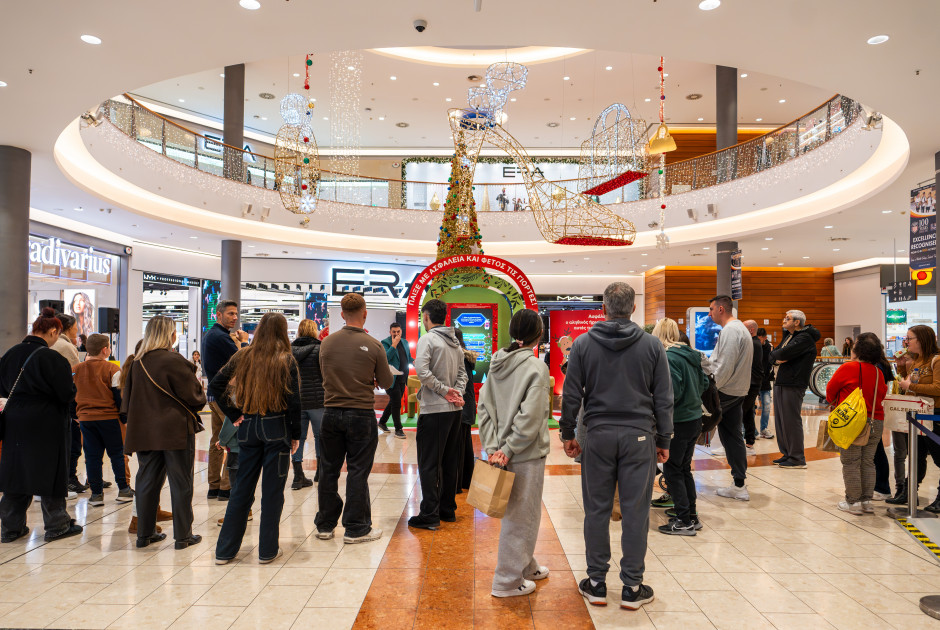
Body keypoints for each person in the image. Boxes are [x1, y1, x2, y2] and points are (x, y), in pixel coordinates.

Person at [560, 282, 672, 611]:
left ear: (604, 308)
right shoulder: (653, 346)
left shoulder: (582, 344)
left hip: (597, 435)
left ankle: (595, 584)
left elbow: (571, 394)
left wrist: (569, 432)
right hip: (640, 437)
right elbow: (664, 399)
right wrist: (663, 439)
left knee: (596, 510)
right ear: (633, 308)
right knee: (636, 512)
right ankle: (632, 588)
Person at [211, 313, 301, 564]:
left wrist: (234, 413)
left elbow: (215, 386)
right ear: (283, 332)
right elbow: (294, 401)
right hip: (277, 428)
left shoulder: (243, 355)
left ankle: (225, 551)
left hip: (248, 427)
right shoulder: (286, 359)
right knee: (273, 492)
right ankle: (267, 550)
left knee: (241, 490)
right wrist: (296, 435)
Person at [478, 309, 551, 597]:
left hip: (502, 451)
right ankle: (507, 581)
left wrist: (494, 447)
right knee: (522, 516)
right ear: (538, 334)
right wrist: (508, 450)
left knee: (522, 513)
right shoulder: (536, 367)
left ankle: (526, 564)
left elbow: (484, 409)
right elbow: (531, 418)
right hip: (525, 453)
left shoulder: (496, 362)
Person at [0, 308, 83, 543]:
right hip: (46, 421)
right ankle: (57, 524)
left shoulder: (9, 354)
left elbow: (2, 388)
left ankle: (10, 528)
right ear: (53, 331)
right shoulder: (52, 357)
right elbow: (66, 393)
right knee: (50, 469)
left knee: (16, 472)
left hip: (14, 419)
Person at [315, 293, 392, 543]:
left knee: (328, 469)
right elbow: (388, 381)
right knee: (358, 471)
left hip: (330, 412)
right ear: (365, 313)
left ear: (341, 314)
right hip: (360, 413)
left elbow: (322, 374)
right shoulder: (374, 345)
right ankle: (356, 527)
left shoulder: (326, 343)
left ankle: (325, 525)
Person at [123, 316, 205, 549]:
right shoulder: (174, 360)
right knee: (181, 483)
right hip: (175, 429)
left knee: (147, 482)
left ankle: (144, 534)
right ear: (170, 334)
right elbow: (195, 398)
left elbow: (127, 399)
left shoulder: (137, 362)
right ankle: (183, 536)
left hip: (144, 431)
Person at [408, 299, 468, 530]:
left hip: (434, 411)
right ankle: (447, 510)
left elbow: (422, 372)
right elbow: (463, 373)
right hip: (455, 411)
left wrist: (444, 391)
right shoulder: (454, 341)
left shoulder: (428, 339)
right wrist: (456, 392)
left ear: (425, 317)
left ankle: (430, 515)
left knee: (429, 463)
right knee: (450, 461)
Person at [652, 318, 709, 536]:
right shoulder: (691, 354)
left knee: (672, 469)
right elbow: (704, 383)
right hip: (694, 419)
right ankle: (690, 514)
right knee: (684, 468)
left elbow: (670, 393)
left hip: (678, 420)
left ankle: (684, 520)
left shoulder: (668, 358)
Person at [826, 335, 888, 515]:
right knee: (868, 461)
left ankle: (852, 502)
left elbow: (830, 391)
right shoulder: (878, 372)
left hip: (852, 422)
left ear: (857, 350)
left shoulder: (848, 367)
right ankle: (867, 500)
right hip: (876, 420)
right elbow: (882, 395)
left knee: (851, 462)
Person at [73, 334, 134, 507]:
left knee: (92, 457)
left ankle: (96, 494)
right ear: (105, 350)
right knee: (117, 454)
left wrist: (75, 415)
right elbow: (118, 397)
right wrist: (124, 418)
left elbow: (70, 396)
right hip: (109, 418)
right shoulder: (112, 369)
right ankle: (123, 489)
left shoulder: (75, 369)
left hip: (85, 420)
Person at [702, 295, 753, 500]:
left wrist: (709, 389)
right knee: (732, 437)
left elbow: (723, 367)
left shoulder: (732, 331)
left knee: (692, 428)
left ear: (721, 309)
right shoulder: (739, 328)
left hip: (726, 392)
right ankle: (739, 483)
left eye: (711, 310)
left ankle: (677, 479)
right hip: (737, 391)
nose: (709, 314)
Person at [888, 325, 940, 510]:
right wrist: (902, 368)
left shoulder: (936, 360)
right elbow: (909, 383)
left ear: (922, 340)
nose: (906, 342)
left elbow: (938, 388)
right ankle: (909, 493)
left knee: (938, 457)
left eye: (909, 338)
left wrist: (912, 387)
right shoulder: (917, 361)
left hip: (935, 416)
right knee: (916, 455)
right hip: (917, 415)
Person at [201, 300, 249, 501]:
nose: (235, 317)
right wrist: (245, 342)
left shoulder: (212, 336)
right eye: (230, 313)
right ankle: (225, 488)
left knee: (217, 440)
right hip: (226, 396)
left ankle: (214, 486)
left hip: (214, 394)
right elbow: (244, 361)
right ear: (218, 315)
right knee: (233, 441)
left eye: (236, 314)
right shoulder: (220, 337)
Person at [768, 310, 820, 469]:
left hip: (794, 382)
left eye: (788, 318)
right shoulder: (790, 336)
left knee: (791, 420)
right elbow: (774, 355)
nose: (784, 320)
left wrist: (778, 356)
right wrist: (777, 357)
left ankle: (797, 458)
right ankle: (787, 454)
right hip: (782, 381)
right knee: (781, 421)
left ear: (797, 322)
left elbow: (781, 353)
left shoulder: (804, 338)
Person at [855, 332, 894, 501]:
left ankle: (881, 487)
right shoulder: (881, 365)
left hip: (870, 414)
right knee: (875, 453)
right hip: (875, 413)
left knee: (873, 455)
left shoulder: (875, 368)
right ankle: (878, 487)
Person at [51, 312, 85, 494]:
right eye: (75, 327)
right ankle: (69, 477)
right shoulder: (65, 346)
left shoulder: (53, 344)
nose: (77, 330)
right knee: (72, 442)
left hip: (52, 402)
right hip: (68, 400)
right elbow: (75, 375)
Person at [291, 318, 324, 489]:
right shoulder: (320, 349)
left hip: (297, 402)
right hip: (318, 401)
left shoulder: (290, 350)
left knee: (298, 438)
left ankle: (298, 476)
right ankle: (320, 472)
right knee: (320, 436)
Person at [379, 322, 412, 439]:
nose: (396, 334)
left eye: (398, 332)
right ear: (390, 332)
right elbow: (386, 358)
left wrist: (415, 361)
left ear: (401, 331)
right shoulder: (385, 342)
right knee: (397, 402)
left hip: (402, 377)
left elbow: (408, 357)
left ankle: (382, 422)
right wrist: (394, 345)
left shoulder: (405, 342)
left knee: (394, 401)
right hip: (391, 379)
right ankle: (398, 429)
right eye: (394, 332)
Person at [454, 329, 477, 493]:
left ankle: (457, 483)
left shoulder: (457, 357)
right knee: (465, 444)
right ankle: (466, 480)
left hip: (460, 406)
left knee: (458, 446)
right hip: (467, 406)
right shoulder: (466, 357)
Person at [740, 320, 764, 453]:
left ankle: (735, 445)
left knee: (739, 412)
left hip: (751, 383)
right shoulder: (754, 343)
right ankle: (749, 443)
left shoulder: (753, 344)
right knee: (747, 413)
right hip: (751, 383)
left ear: (750, 330)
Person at [756, 328, 774, 439]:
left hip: (765, 381)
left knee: (767, 406)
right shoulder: (753, 345)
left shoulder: (769, 347)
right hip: (753, 380)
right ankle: (751, 431)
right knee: (750, 407)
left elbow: (771, 364)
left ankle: (764, 429)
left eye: (760, 339)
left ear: (765, 338)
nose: (758, 342)